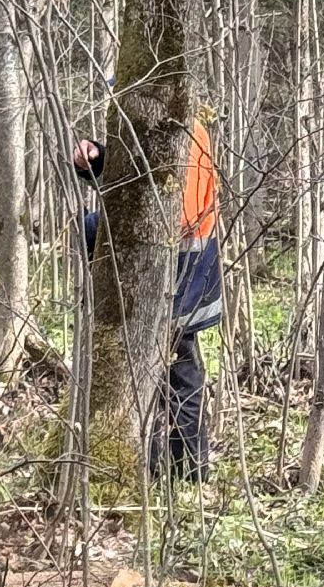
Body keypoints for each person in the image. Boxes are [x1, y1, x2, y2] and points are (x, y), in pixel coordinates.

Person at [73, 121, 222, 482]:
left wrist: (100, 226)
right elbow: (141, 177)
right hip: (170, 279)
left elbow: (168, 211)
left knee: (178, 374)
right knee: (165, 374)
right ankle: (162, 469)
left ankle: (186, 471)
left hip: (182, 281)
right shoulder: (160, 124)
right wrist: (96, 161)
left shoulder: (183, 133)